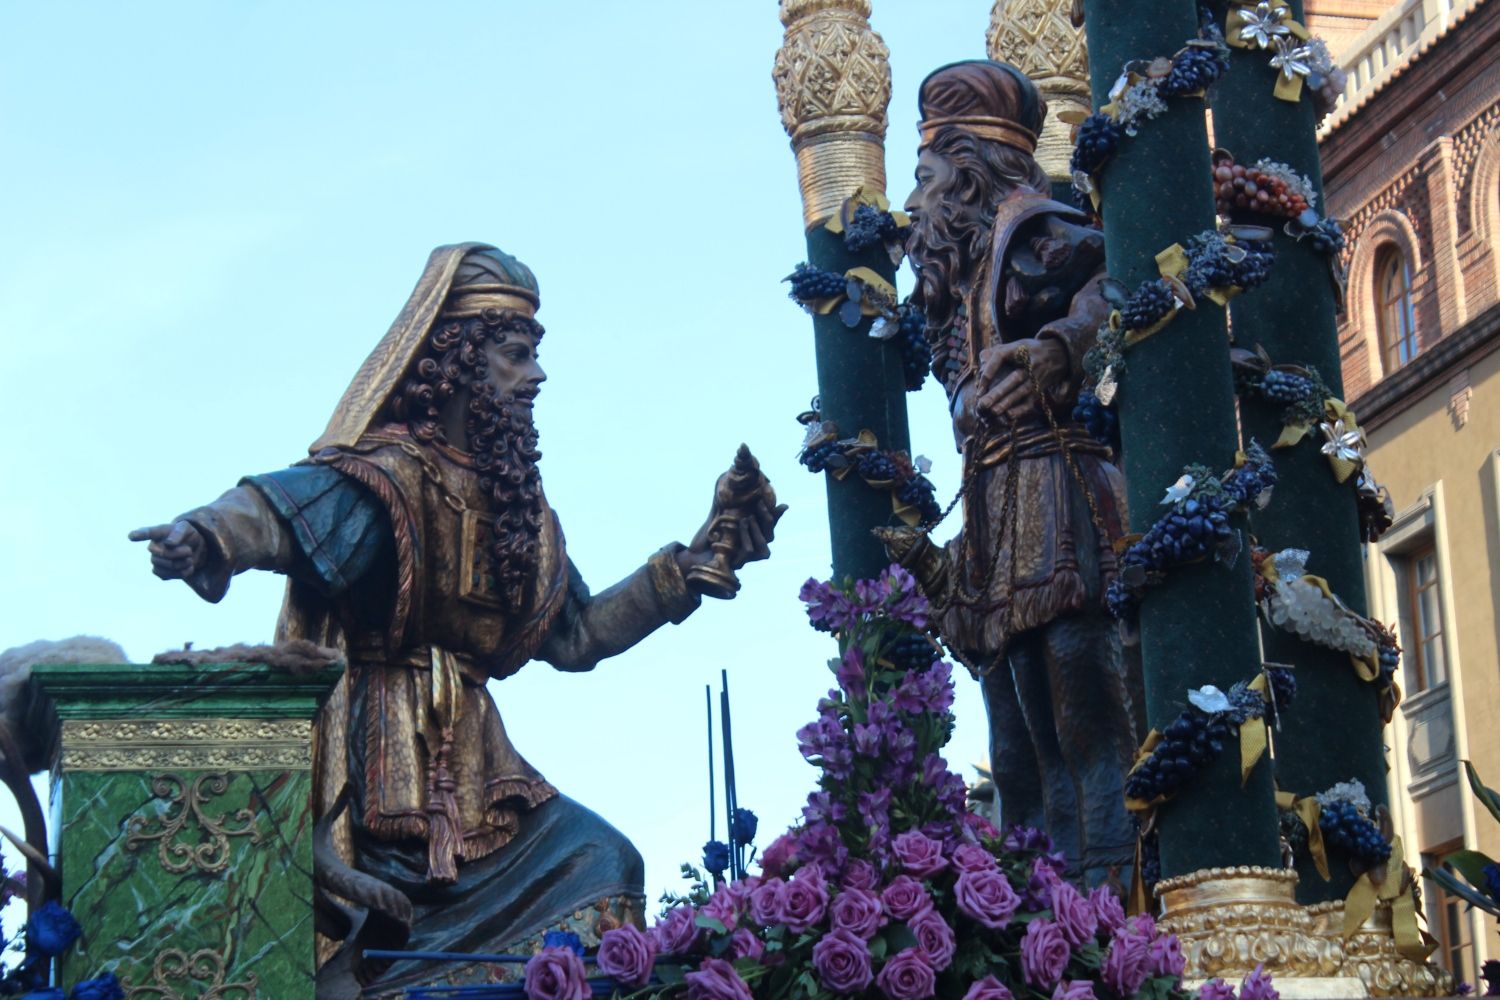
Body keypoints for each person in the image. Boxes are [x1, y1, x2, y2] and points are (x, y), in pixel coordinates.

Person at [131, 243, 784, 993]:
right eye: (515, 355)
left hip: (483, 780)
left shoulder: (521, 514)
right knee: (380, 925)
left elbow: (574, 635)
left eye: (534, 357)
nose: (536, 376)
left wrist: (685, 571)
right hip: (377, 773)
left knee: (603, 863)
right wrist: (206, 534)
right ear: (459, 362)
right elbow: (281, 514)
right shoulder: (387, 480)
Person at [899, 61, 1143, 886]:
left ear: (967, 177)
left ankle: (1113, 903)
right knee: (1011, 735)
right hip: (997, 512)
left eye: (924, 179)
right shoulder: (956, 280)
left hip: (1063, 492)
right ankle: (1039, 911)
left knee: (1082, 706)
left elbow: (1127, 281)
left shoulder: (1040, 233)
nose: (911, 203)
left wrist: (1057, 347)